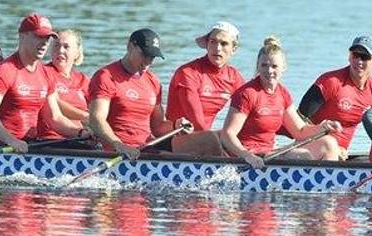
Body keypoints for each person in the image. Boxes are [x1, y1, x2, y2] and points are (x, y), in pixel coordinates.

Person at [219, 36, 343, 169]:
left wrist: (324, 127)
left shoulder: (282, 93)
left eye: (274, 66)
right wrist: (246, 155)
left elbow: (299, 131)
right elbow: (227, 135)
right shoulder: (247, 94)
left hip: (270, 151)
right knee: (303, 155)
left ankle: (329, 186)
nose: (269, 71)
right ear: (258, 67)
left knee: (329, 143)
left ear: (283, 68)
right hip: (251, 156)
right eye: (264, 65)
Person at [0, 14, 87, 152]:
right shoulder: (5, 71)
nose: (44, 43)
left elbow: (55, 118)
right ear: (22, 36)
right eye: (39, 37)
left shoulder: (46, 73)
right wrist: (11, 140)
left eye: (47, 39)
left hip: (31, 146)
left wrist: (80, 133)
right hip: (4, 149)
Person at [86, 28, 190, 160]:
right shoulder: (106, 76)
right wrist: (118, 144)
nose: (148, 61)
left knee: (206, 141)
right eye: (144, 54)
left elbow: (157, 127)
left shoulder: (154, 82)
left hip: (145, 149)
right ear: (130, 46)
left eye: (152, 57)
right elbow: (96, 119)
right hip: (117, 152)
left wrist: (176, 125)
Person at [296, 35, 372, 159]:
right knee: (330, 146)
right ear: (349, 57)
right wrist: (332, 146)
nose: (359, 61)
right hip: (311, 148)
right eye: (355, 55)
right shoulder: (331, 81)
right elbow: (299, 118)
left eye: (365, 57)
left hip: (341, 154)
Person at [165, 21, 244, 156]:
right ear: (207, 44)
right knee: (212, 138)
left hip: (204, 138)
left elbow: (252, 109)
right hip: (173, 138)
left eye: (224, 43)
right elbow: (196, 121)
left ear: (234, 48)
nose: (217, 48)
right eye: (213, 42)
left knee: (242, 134)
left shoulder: (234, 77)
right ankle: (230, 172)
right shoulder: (188, 73)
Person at [36, 30, 92, 141]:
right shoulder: (43, 72)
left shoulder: (83, 79)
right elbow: (56, 104)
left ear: (76, 52)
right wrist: (88, 117)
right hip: (51, 139)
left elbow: (98, 109)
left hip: (81, 138)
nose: (60, 51)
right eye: (56, 46)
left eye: (66, 47)